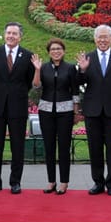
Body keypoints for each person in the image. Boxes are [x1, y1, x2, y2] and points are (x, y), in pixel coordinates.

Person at [0, 22, 36, 194]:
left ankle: (15, 182)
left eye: (14, 33)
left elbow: (31, 82)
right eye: (9, 33)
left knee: (17, 146)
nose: (11, 36)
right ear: (4, 34)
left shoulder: (27, 56)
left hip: (18, 107)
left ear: (20, 36)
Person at [76, 24, 111, 196]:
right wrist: (82, 70)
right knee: (95, 148)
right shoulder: (88, 58)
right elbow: (78, 83)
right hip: (92, 111)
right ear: (94, 39)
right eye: (99, 37)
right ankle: (98, 182)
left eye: (106, 36)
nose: (102, 40)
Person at [32, 38, 78, 195]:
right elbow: (36, 86)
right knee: (49, 147)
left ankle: (64, 182)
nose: (56, 51)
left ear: (63, 51)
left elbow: (75, 90)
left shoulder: (70, 68)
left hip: (65, 111)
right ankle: (51, 181)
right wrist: (37, 70)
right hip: (46, 111)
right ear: (49, 52)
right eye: (53, 49)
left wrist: (76, 111)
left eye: (59, 49)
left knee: (64, 147)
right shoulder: (43, 67)